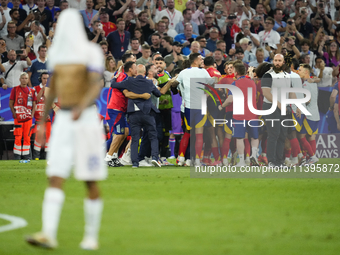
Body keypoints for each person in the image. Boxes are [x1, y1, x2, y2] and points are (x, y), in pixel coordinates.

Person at [25, 9, 107, 250]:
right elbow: (52, 90)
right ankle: (48, 233)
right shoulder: (57, 54)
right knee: (55, 175)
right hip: (63, 119)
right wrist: (41, 121)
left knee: (89, 179)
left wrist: (81, 107)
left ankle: (91, 236)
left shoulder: (91, 52)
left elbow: (95, 85)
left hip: (86, 118)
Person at [111, 63, 164, 168]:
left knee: (135, 138)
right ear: (144, 72)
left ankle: (135, 163)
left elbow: (114, 85)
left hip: (134, 114)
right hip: (147, 113)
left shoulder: (130, 81)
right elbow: (158, 94)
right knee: (153, 136)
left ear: (136, 72)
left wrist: (114, 78)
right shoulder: (149, 82)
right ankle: (154, 158)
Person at [172, 53, 214, 166]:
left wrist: (181, 92)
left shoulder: (183, 73)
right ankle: (197, 161)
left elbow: (174, 84)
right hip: (200, 106)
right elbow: (213, 83)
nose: (202, 60)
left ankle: (180, 159)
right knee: (199, 135)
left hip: (188, 108)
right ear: (195, 61)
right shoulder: (204, 72)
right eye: (200, 59)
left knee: (187, 133)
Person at [261, 54, 301, 167]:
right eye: (275, 60)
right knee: (274, 134)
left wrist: (298, 106)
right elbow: (266, 93)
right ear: (273, 61)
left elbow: (291, 93)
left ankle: (279, 161)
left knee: (283, 135)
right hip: (270, 107)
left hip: (284, 108)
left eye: (279, 60)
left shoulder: (287, 76)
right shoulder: (268, 75)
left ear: (283, 62)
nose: (277, 62)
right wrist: (279, 104)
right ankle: (271, 161)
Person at [219, 62, 260, 167]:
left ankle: (241, 161)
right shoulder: (252, 83)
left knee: (239, 138)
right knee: (254, 137)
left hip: (239, 115)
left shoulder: (235, 84)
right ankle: (254, 156)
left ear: (236, 72)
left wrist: (222, 106)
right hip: (253, 114)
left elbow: (230, 99)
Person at [9, 72, 36, 160]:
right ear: (20, 79)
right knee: (18, 136)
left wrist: (32, 115)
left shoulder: (32, 91)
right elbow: (11, 103)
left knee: (27, 136)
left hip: (28, 118)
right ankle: (17, 157)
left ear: (28, 80)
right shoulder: (15, 89)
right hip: (18, 118)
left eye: (26, 78)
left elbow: (34, 104)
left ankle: (26, 156)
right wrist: (14, 113)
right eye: (23, 78)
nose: (24, 80)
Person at [298, 64, 320, 165]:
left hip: (309, 115)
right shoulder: (313, 83)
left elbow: (308, 100)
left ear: (306, 72)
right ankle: (310, 158)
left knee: (302, 137)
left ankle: (312, 156)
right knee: (311, 137)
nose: (299, 72)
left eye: (301, 70)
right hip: (316, 114)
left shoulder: (305, 85)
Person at [32, 72, 51, 159]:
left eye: (47, 78)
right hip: (38, 118)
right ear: (40, 79)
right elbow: (35, 100)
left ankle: (47, 157)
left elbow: (52, 104)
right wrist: (42, 90)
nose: (46, 80)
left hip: (47, 118)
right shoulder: (35, 88)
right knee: (38, 137)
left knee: (48, 137)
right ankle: (36, 157)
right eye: (44, 78)